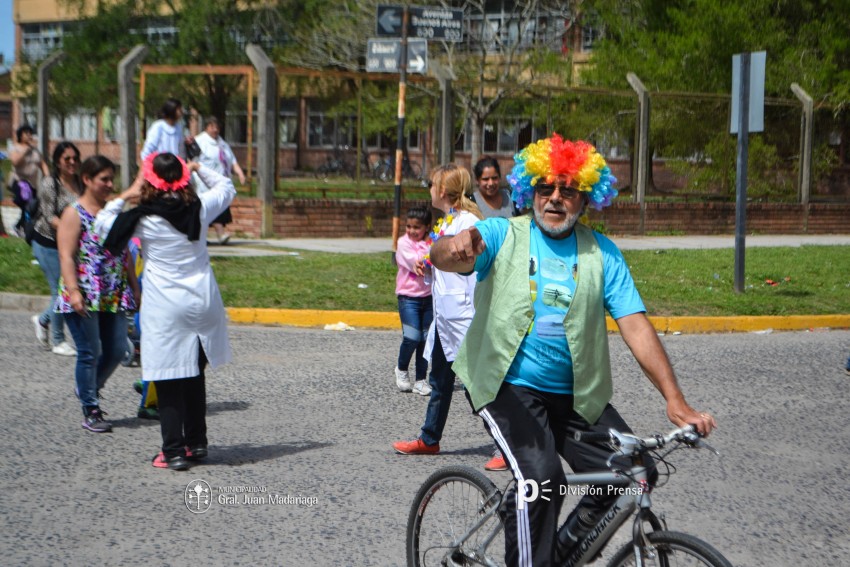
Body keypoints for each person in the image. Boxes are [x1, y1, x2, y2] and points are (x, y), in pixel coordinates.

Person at [430, 134, 717, 566]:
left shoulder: (603, 254)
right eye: (546, 187)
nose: (556, 198)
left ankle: (556, 553)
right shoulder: (502, 233)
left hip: (575, 393)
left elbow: (636, 326)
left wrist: (676, 401)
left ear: (586, 198)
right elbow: (447, 253)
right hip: (506, 384)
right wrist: (450, 250)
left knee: (635, 472)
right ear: (530, 192)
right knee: (544, 480)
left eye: (569, 189)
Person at [96, 152, 235, 471]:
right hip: (202, 301)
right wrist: (199, 168)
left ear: (149, 179)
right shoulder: (198, 209)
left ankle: (173, 450)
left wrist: (127, 193)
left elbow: (102, 224)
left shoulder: (142, 217)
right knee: (194, 373)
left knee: (168, 376)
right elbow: (227, 187)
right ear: (184, 177)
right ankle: (196, 442)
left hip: (166, 306)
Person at [392, 164, 483, 455]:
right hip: (445, 318)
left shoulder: (467, 222)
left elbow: (472, 272)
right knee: (439, 380)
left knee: (475, 387)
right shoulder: (448, 221)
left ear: (442, 190)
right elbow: (448, 269)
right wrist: (428, 267)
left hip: (463, 318)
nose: (430, 190)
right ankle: (429, 439)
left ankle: (506, 447)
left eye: (432, 185)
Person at [55, 155, 139, 434]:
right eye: (103, 179)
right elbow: (66, 256)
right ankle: (91, 408)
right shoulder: (74, 212)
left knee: (117, 350)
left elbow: (124, 252)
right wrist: (73, 291)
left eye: (111, 179)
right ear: (87, 180)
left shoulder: (110, 212)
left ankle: (88, 388)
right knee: (90, 352)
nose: (109, 184)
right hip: (85, 292)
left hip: (113, 291)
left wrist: (134, 285)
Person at [472, 156, 517, 471]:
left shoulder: (510, 201)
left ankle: (507, 444)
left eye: (494, 178)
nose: (490, 183)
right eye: (484, 179)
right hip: (482, 282)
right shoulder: (472, 206)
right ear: (477, 182)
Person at [30, 141, 83, 356]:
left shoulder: (80, 183)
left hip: (71, 245)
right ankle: (58, 340)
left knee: (68, 288)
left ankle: (43, 320)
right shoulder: (50, 183)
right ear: (58, 162)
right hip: (48, 243)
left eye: (75, 158)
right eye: (67, 159)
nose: (72, 162)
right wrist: (69, 228)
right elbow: (49, 215)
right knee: (61, 291)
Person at [394, 205, 434, 396]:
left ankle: (420, 379)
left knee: (425, 340)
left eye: (416, 227)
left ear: (427, 227)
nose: (411, 231)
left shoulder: (432, 243)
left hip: (428, 298)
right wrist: (427, 259)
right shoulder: (403, 243)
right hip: (408, 298)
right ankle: (401, 369)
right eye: (408, 226)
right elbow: (415, 261)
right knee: (412, 337)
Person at [193, 116, 246, 244]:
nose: (215, 130)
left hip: (220, 182)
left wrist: (239, 172)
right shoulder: (199, 141)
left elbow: (231, 160)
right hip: (204, 183)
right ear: (206, 127)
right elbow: (193, 162)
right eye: (212, 127)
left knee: (215, 208)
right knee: (208, 208)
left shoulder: (222, 143)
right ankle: (217, 235)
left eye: (217, 127)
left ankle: (212, 235)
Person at [8, 124, 49, 236]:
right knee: (27, 203)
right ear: (20, 135)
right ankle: (20, 227)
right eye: (26, 133)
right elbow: (15, 162)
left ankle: (19, 227)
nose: (29, 135)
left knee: (33, 206)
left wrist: (48, 177)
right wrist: (25, 151)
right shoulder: (15, 147)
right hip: (19, 182)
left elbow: (42, 164)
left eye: (30, 133)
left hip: (32, 184)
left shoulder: (34, 150)